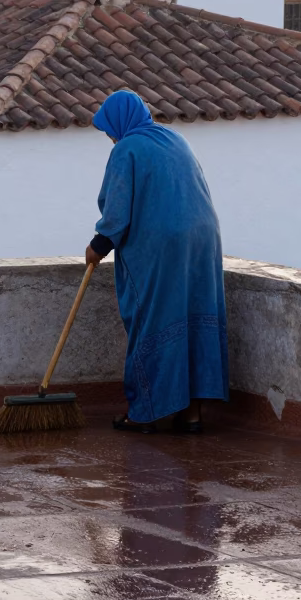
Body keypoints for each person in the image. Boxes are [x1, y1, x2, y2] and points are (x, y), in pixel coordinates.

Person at [85, 88, 229, 434]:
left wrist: (98, 245)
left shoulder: (127, 148)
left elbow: (118, 210)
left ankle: (144, 412)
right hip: (203, 237)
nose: (109, 135)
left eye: (108, 128)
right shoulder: (175, 138)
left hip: (162, 242)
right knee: (194, 316)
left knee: (153, 316)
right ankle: (192, 414)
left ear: (119, 122)